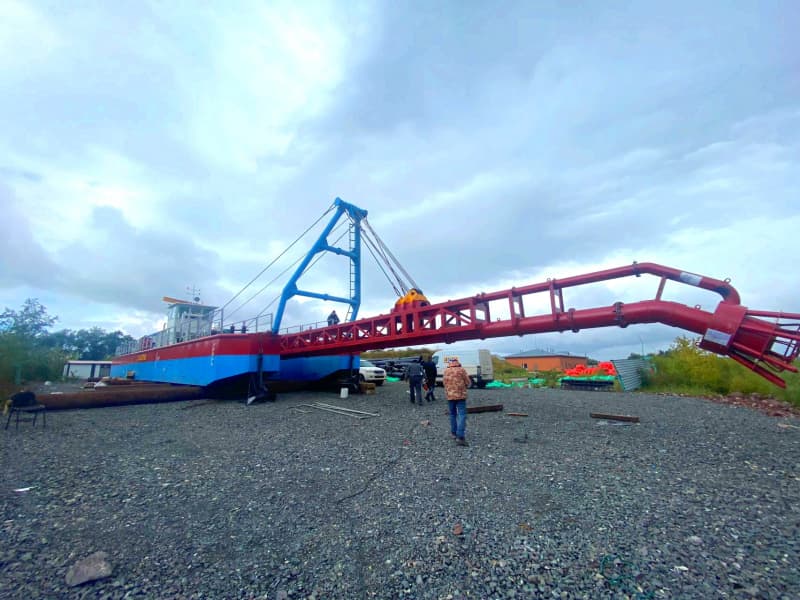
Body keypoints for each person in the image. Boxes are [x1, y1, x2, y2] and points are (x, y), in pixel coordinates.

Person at [443, 357, 471, 446]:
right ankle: (460, 436)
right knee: (462, 414)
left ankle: (454, 433)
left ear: (450, 364)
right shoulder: (461, 370)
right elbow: (468, 382)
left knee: (452, 414)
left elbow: (444, 383)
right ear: (458, 363)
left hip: (450, 396)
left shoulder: (446, 371)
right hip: (461, 396)